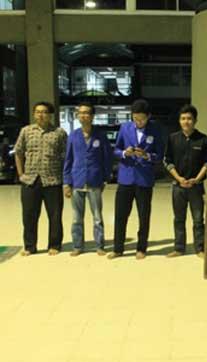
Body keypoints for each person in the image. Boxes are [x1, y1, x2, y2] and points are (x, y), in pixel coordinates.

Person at [108, 99, 164, 260]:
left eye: (142, 119)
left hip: (144, 179)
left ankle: (141, 248)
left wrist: (147, 155)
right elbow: (116, 150)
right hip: (125, 177)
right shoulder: (125, 128)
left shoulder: (155, 130)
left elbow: (160, 155)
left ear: (148, 116)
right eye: (135, 118)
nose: (138, 122)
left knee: (143, 216)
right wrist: (124, 153)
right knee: (120, 215)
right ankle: (118, 248)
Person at [14, 101, 67, 256]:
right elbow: (18, 152)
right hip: (30, 180)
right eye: (38, 112)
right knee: (29, 216)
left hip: (53, 180)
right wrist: (21, 174)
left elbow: (66, 156)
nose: (41, 115)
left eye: (44, 112)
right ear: (34, 114)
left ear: (50, 115)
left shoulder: (59, 133)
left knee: (55, 215)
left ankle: (55, 245)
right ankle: (30, 246)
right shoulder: (26, 131)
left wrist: (66, 178)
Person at [63, 102, 113, 256]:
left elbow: (107, 158)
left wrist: (105, 178)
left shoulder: (100, 135)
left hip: (95, 180)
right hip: (76, 180)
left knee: (97, 216)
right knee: (76, 218)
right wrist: (66, 182)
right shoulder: (73, 135)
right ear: (77, 116)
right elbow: (68, 160)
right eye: (81, 113)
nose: (83, 115)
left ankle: (99, 245)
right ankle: (78, 246)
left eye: (87, 113)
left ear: (92, 116)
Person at [164, 105, 207, 258]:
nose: (186, 121)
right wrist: (178, 178)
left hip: (196, 187)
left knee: (198, 219)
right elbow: (167, 160)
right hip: (178, 186)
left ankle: (200, 248)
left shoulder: (203, 139)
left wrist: (197, 178)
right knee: (179, 219)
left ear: (195, 120)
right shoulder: (172, 138)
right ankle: (179, 248)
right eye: (183, 118)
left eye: (189, 118)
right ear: (179, 121)